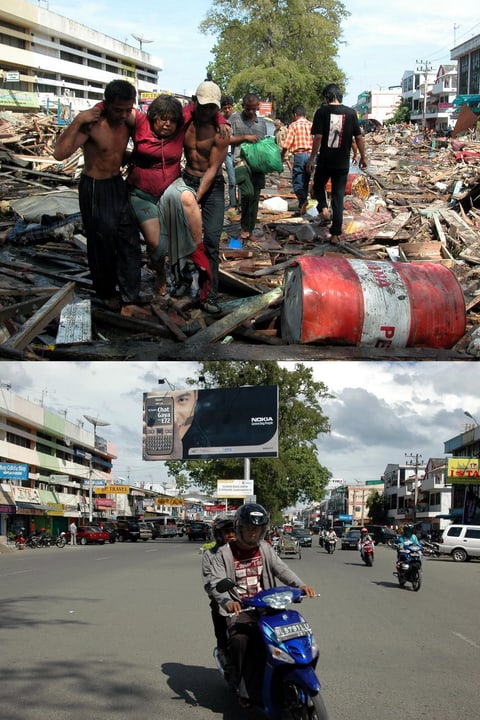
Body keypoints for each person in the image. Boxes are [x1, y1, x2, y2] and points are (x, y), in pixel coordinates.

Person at [210, 503, 316, 708]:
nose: (253, 533)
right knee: (241, 640)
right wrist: (228, 602)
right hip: (241, 607)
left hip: (267, 605)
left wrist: (301, 586)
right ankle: (241, 684)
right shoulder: (223, 553)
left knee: (287, 634)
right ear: (239, 528)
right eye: (249, 528)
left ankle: (282, 675)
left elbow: (282, 569)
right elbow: (215, 583)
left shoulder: (265, 549)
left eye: (257, 529)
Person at [53, 79, 142, 310]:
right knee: (101, 243)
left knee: (129, 238)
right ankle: (106, 292)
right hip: (95, 187)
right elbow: (59, 153)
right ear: (106, 103)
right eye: (117, 109)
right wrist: (78, 119)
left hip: (117, 184)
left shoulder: (128, 122)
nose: (122, 114)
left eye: (127, 109)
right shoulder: (92, 123)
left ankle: (131, 292)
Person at [178, 80, 231, 314]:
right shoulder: (183, 122)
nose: (209, 111)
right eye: (204, 106)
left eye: (213, 107)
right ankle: (183, 282)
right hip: (186, 179)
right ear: (195, 102)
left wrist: (197, 197)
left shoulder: (222, 131)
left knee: (210, 240)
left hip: (212, 186)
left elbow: (212, 169)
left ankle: (210, 293)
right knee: (182, 237)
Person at [306, 83, 368, 244]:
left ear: (326, 96)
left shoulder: (321, 112)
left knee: (318, 186)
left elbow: (318, 137)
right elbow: (359, 137)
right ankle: (335, 234)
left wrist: (312, 158)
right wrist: (363, 157)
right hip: (342, 162)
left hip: (325, 160)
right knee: (338, 196)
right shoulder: (351, 113)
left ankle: (323, 209)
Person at [229, 93, 267, 242]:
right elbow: (226, 139)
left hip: (258, 164)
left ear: (258, 107)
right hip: (241, 162)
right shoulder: (234, 119)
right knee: (247, 194)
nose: (251, 112)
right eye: (248, 109)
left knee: (255, 196)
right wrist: (245, 137)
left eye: (254, 109)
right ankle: (244, 227)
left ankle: (249, 229)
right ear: (243, 106)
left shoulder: (262, 123)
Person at [202, 516, 237, 660]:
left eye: (234, 531)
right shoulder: (210, 555)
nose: (231, 535)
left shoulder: (243, 551)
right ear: (219, 535)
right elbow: (210, 583)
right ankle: (222, 649)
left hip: (244, 595)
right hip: (221, 597)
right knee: (218, 610)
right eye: (226, 532)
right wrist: (224, 599)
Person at [281, 104, 313, 215]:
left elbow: (286, 144)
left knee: (297, 183)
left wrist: (282, 155)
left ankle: (303, 201)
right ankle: (301, 209)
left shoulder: (293, 125)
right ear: (305, 114)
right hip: (311, 156)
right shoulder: (311, 125)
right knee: (305, 182)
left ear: (295, 115)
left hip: (299, 155)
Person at [220, 95, 237, 210]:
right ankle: (233, 203)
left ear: (232, 107)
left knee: (240, 179)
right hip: (226, 153)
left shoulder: (237, 119)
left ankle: (239, 203)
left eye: (229, 108)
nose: (227, 110)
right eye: (225, 108)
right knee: (232, 180)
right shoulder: (220, 120)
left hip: (237, 152)